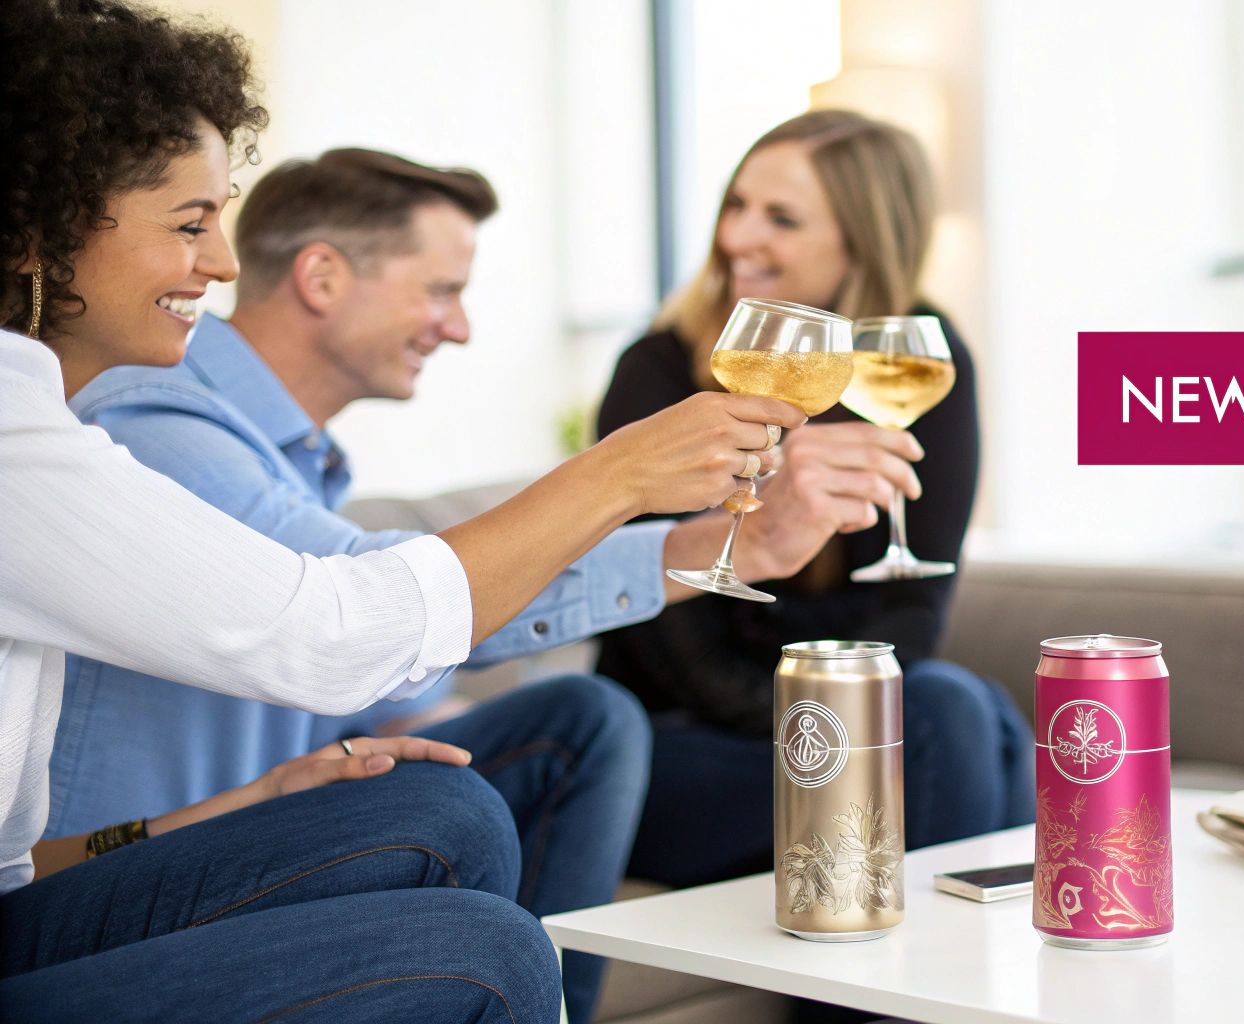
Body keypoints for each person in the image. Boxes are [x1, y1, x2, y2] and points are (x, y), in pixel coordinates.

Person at [0, 3, 799, 1020]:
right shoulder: (85, 432)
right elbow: (338, 631)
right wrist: (618, 479)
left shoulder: (67, 423)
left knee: (447, 805)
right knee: (489, 951)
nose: (222, 263)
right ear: (39, 230)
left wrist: (249, 803)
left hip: (41, 895)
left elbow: (18, 865)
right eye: (190, 224)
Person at [595, 110, 1035, 888]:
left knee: (954, 704)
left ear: (862, 240)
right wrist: (825, 724)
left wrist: (835, 716)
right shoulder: (659, 370)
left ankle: (913, 957)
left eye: (782, 219)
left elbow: (913, 613)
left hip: (828, 725)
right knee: (962, 719)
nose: (737, 237)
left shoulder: (916, 360)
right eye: (737, 205)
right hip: (681, 737)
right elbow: (672, 643)